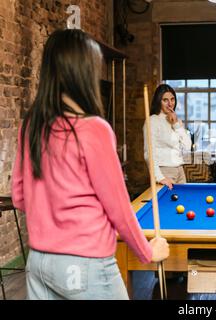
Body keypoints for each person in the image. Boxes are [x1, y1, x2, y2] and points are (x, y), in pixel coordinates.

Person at [11, 29, 169, 300]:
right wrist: (147, 251)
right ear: (84, 72)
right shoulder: (94, 129)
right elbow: (118, 207)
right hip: (84, 263)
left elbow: (19, 197)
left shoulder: (31, 126)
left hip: (38, 262)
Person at [143, 84, 192, 190]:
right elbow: (149, 153)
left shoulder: (176, 121)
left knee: (181, 204)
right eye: (165, 100)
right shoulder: (152, 121)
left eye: (172, 99)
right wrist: (159, 177)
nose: (170, 104)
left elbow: (187, 147)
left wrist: (176, 124)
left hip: (180, 170)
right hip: (165, 171)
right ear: (158, 101)